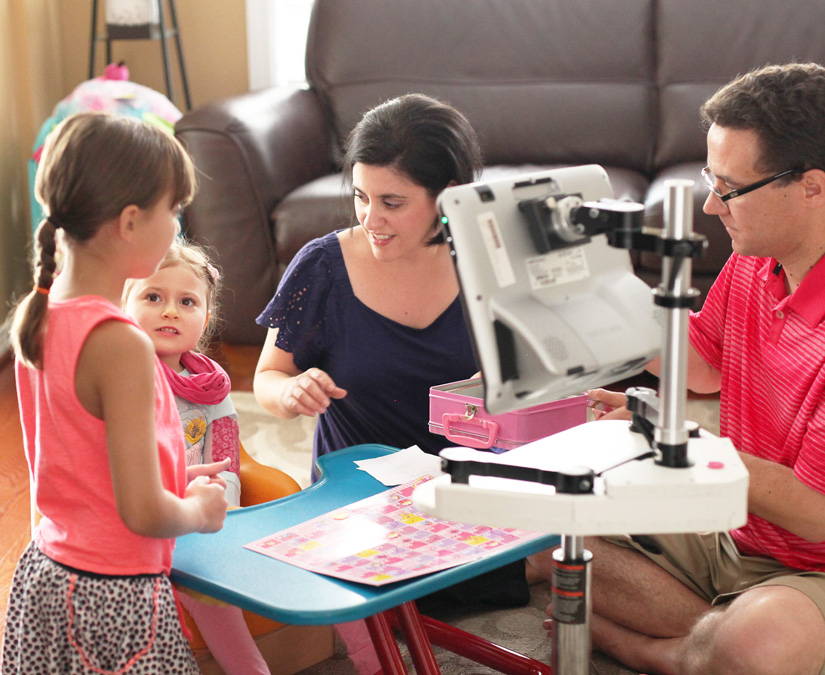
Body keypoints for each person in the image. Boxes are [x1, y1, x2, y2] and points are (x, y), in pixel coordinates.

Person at [538, 63, 825, 675]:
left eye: (730, 186)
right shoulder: (755, 260)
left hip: (813, 561)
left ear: (812, 187)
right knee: (546, 530)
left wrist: (688, 446)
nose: (712, 205)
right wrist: (595, 294)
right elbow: (699, 369)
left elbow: (815, 511)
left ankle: (664, 650)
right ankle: (712, 640)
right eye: (708, 178)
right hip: (729, 529)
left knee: (764, 643)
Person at [253, 93, 532, 627]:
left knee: (573, 549)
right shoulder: (323, 267)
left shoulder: (488, 258)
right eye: (361, 197)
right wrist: (290, 392)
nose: (370, 218)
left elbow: (531, 377)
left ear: (449, 197)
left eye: (392, 203)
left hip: (460, 485)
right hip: (357, 498)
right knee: (388, 577)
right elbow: (268, 377)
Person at [2, 112, 229, 674]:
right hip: (113, 595)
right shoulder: (120, 342)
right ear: (130, 222)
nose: (178, 226)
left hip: (47, 574)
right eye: (173, 211)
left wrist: (173, 475)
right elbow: (144, 513)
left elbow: (74, 464)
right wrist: (199, 510)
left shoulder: (40, 315)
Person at [123, 241, 270, 675]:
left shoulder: (211, 388)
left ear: (204, 318)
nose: (170, 311)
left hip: (201, 524)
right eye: (153, 297)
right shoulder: (120, 379)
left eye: (186, 302)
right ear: (123, 307)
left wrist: (220, 512)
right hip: (141, 523)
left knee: (223, 598)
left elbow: (227, 465)